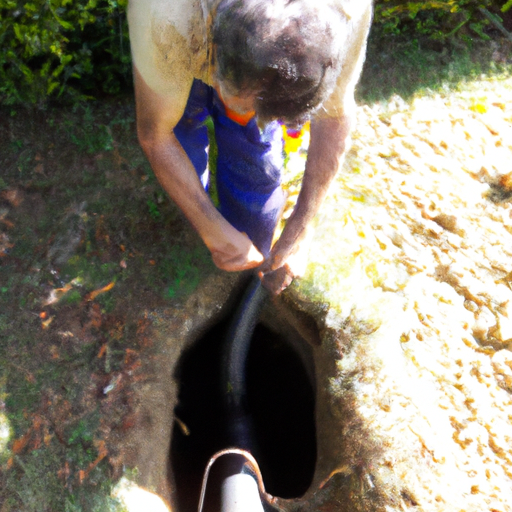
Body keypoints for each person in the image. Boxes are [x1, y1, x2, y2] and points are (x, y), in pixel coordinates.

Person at [127, 0, 373, 295]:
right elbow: (156, 134)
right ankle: (193, 229)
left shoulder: (346, 14)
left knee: (256, 194)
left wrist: (302, 224)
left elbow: (335, 115)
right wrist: (208, 225)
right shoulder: (166, 13)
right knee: (182, 134)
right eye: (234, 98)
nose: (238, 111)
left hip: (254, 64)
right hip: (184, 34)